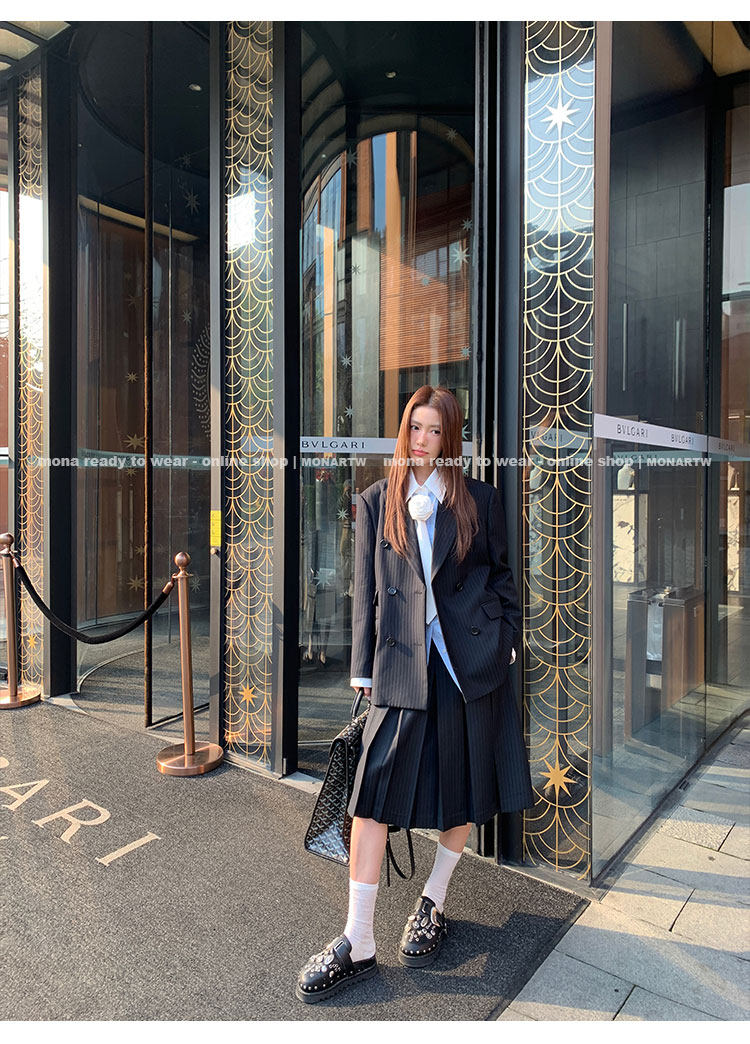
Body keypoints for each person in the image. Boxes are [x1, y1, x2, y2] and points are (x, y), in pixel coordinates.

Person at [296, 385, 534, 1004]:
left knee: (461, 790)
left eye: (435, 430)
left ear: (450, 439)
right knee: (371, 797)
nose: (423, 440)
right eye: (415, 428)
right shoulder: (378, 500)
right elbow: (366, 589)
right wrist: (361, 670)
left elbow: (503, 578)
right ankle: (358, 939)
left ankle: (433, 900)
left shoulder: (480, 499)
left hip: (465, 664)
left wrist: (505, 640)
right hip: (400, 667)